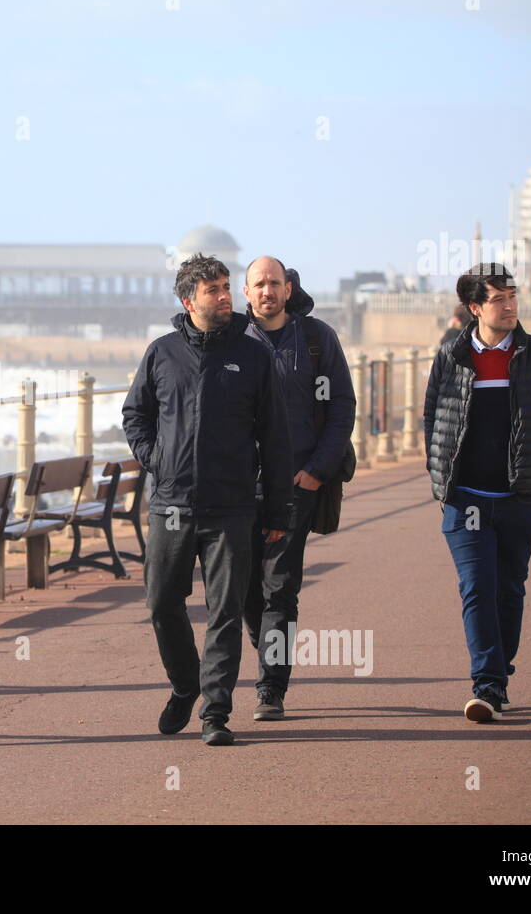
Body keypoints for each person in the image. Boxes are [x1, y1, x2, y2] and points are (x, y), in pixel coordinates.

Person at [122, 253, 294, 746]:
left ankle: (215, 712)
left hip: (232, 507)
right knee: (162, 604)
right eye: (213, 290)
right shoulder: (162, 353)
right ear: (187, 300)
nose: (224, 296)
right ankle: (185, 685)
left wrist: (278, 508)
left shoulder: (254, 356)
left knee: (224, 611)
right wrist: (158, 460)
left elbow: (275, 438)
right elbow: (135, 415)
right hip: (171, 504)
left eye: (225, 287)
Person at [423, 263, 531, 722]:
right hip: (465, 497)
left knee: (509, 588)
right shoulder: (451, 355)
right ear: (475, 308)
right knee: (476, 587)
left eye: (512, 297)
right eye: (498, 299)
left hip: (520, 498)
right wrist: (440, 471)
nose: (509, 306)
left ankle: (498, 673)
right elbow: (433, 416)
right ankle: (486, 684)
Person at [240, 259, 355, 720]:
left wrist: (317, 471)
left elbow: (342, 405)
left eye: (274, 283)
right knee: (241, 591)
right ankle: (270, 650)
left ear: (289, 289)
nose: (267, 291)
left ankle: (271, 687)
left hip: (295, 485)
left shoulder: (315, 339)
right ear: (246, 293)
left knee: (280, 589)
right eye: (258, 284)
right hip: (237, 489)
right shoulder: (229, 340)